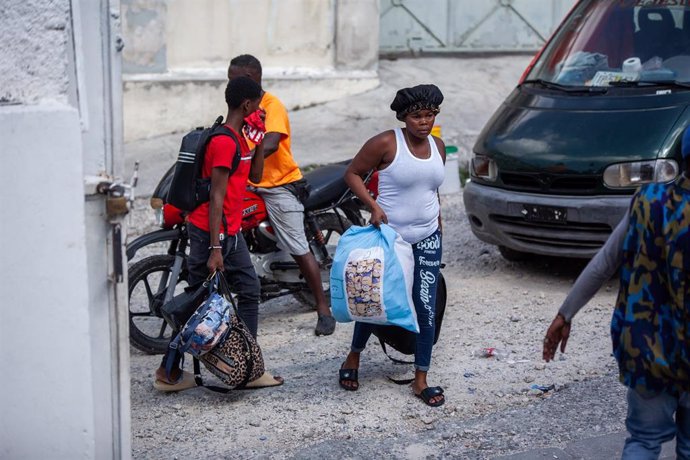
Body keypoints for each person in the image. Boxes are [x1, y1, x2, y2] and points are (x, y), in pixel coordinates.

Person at [543, 126, 690, 458]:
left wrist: (565, 314)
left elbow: (604, 262)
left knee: (643, 442)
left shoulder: (649, 201)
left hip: (646, 350)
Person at [154, 76, 283, 391]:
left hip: (230, 231)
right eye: (258, 107)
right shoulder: (224, 142)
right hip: (212, 232)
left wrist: (260, 138)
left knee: (247, 291)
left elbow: (253, 176)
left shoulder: (241, 140)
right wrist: (214, 248)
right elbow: (215, 198)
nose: (261, 112)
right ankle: (170, 372)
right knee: (198, 300)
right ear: (247, 105)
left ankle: (248, 367)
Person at [337, 84, 447, 407]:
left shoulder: (438, 146)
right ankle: (353, 358)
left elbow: (432, 189)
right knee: (377, 300)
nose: (424, 122)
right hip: (391, 238)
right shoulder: (386, 143)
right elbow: (352, 174)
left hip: (427, 237)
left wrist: (438, 218)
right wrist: (372, 205)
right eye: (416, 116)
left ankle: (420, 379)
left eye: (429, 115)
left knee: (425, 306)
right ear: (403, 117)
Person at [227, 54, 336, 336]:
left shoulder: (271, 105)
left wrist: (238, 158)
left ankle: (323, 309)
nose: (230, 85)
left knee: (296, 243)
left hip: (278, 184)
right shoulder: (242, 103)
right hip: (249, 181)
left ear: (252, 78)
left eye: (235, 79)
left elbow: (272, 142)